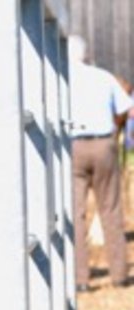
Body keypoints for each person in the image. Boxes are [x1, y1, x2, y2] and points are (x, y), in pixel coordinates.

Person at [69, 35, 133, 291]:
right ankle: (119, 275)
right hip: (104, 144)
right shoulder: (103, 76)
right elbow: (127, 109)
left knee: (75, 213)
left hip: (73, 146)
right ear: (86, 54)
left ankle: (80, 278)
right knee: (111, 209)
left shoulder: (58, 79)